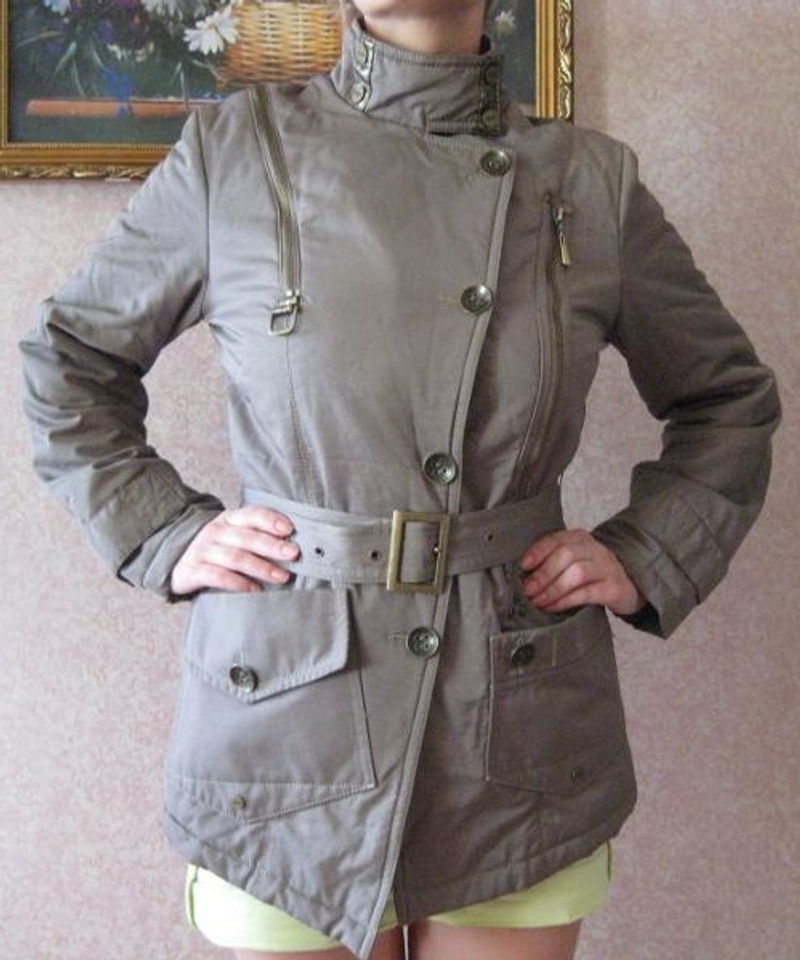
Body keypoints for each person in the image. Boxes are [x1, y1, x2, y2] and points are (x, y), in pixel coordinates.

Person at [20, 0, 780, 958]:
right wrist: (162, 530)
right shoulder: (235, 152)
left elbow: (727, 400)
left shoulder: (590, 181)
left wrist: (649, 551)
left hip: (514, 716)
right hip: (288, 711)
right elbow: (71, 358)